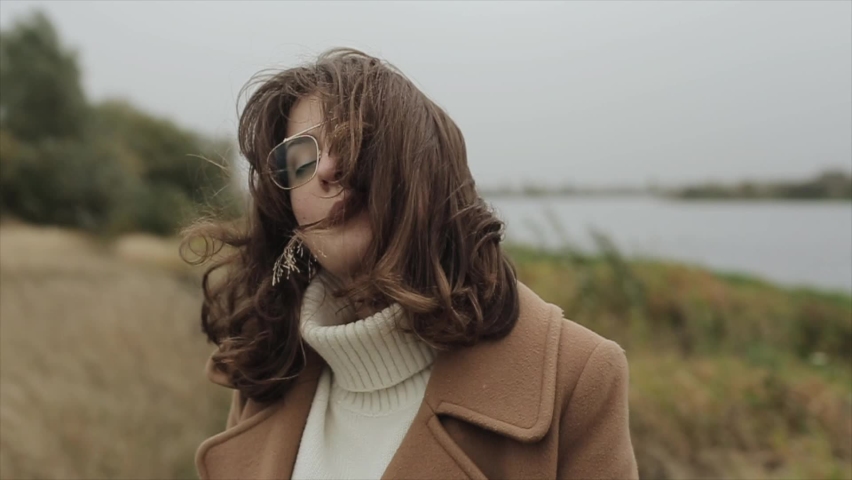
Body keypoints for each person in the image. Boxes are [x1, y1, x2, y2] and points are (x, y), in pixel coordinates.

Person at [185, 48, 638, 480]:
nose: (325, 169)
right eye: (299, 158)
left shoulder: (577, 374)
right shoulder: (266, 365)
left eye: (355, 141)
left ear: (427, 173)